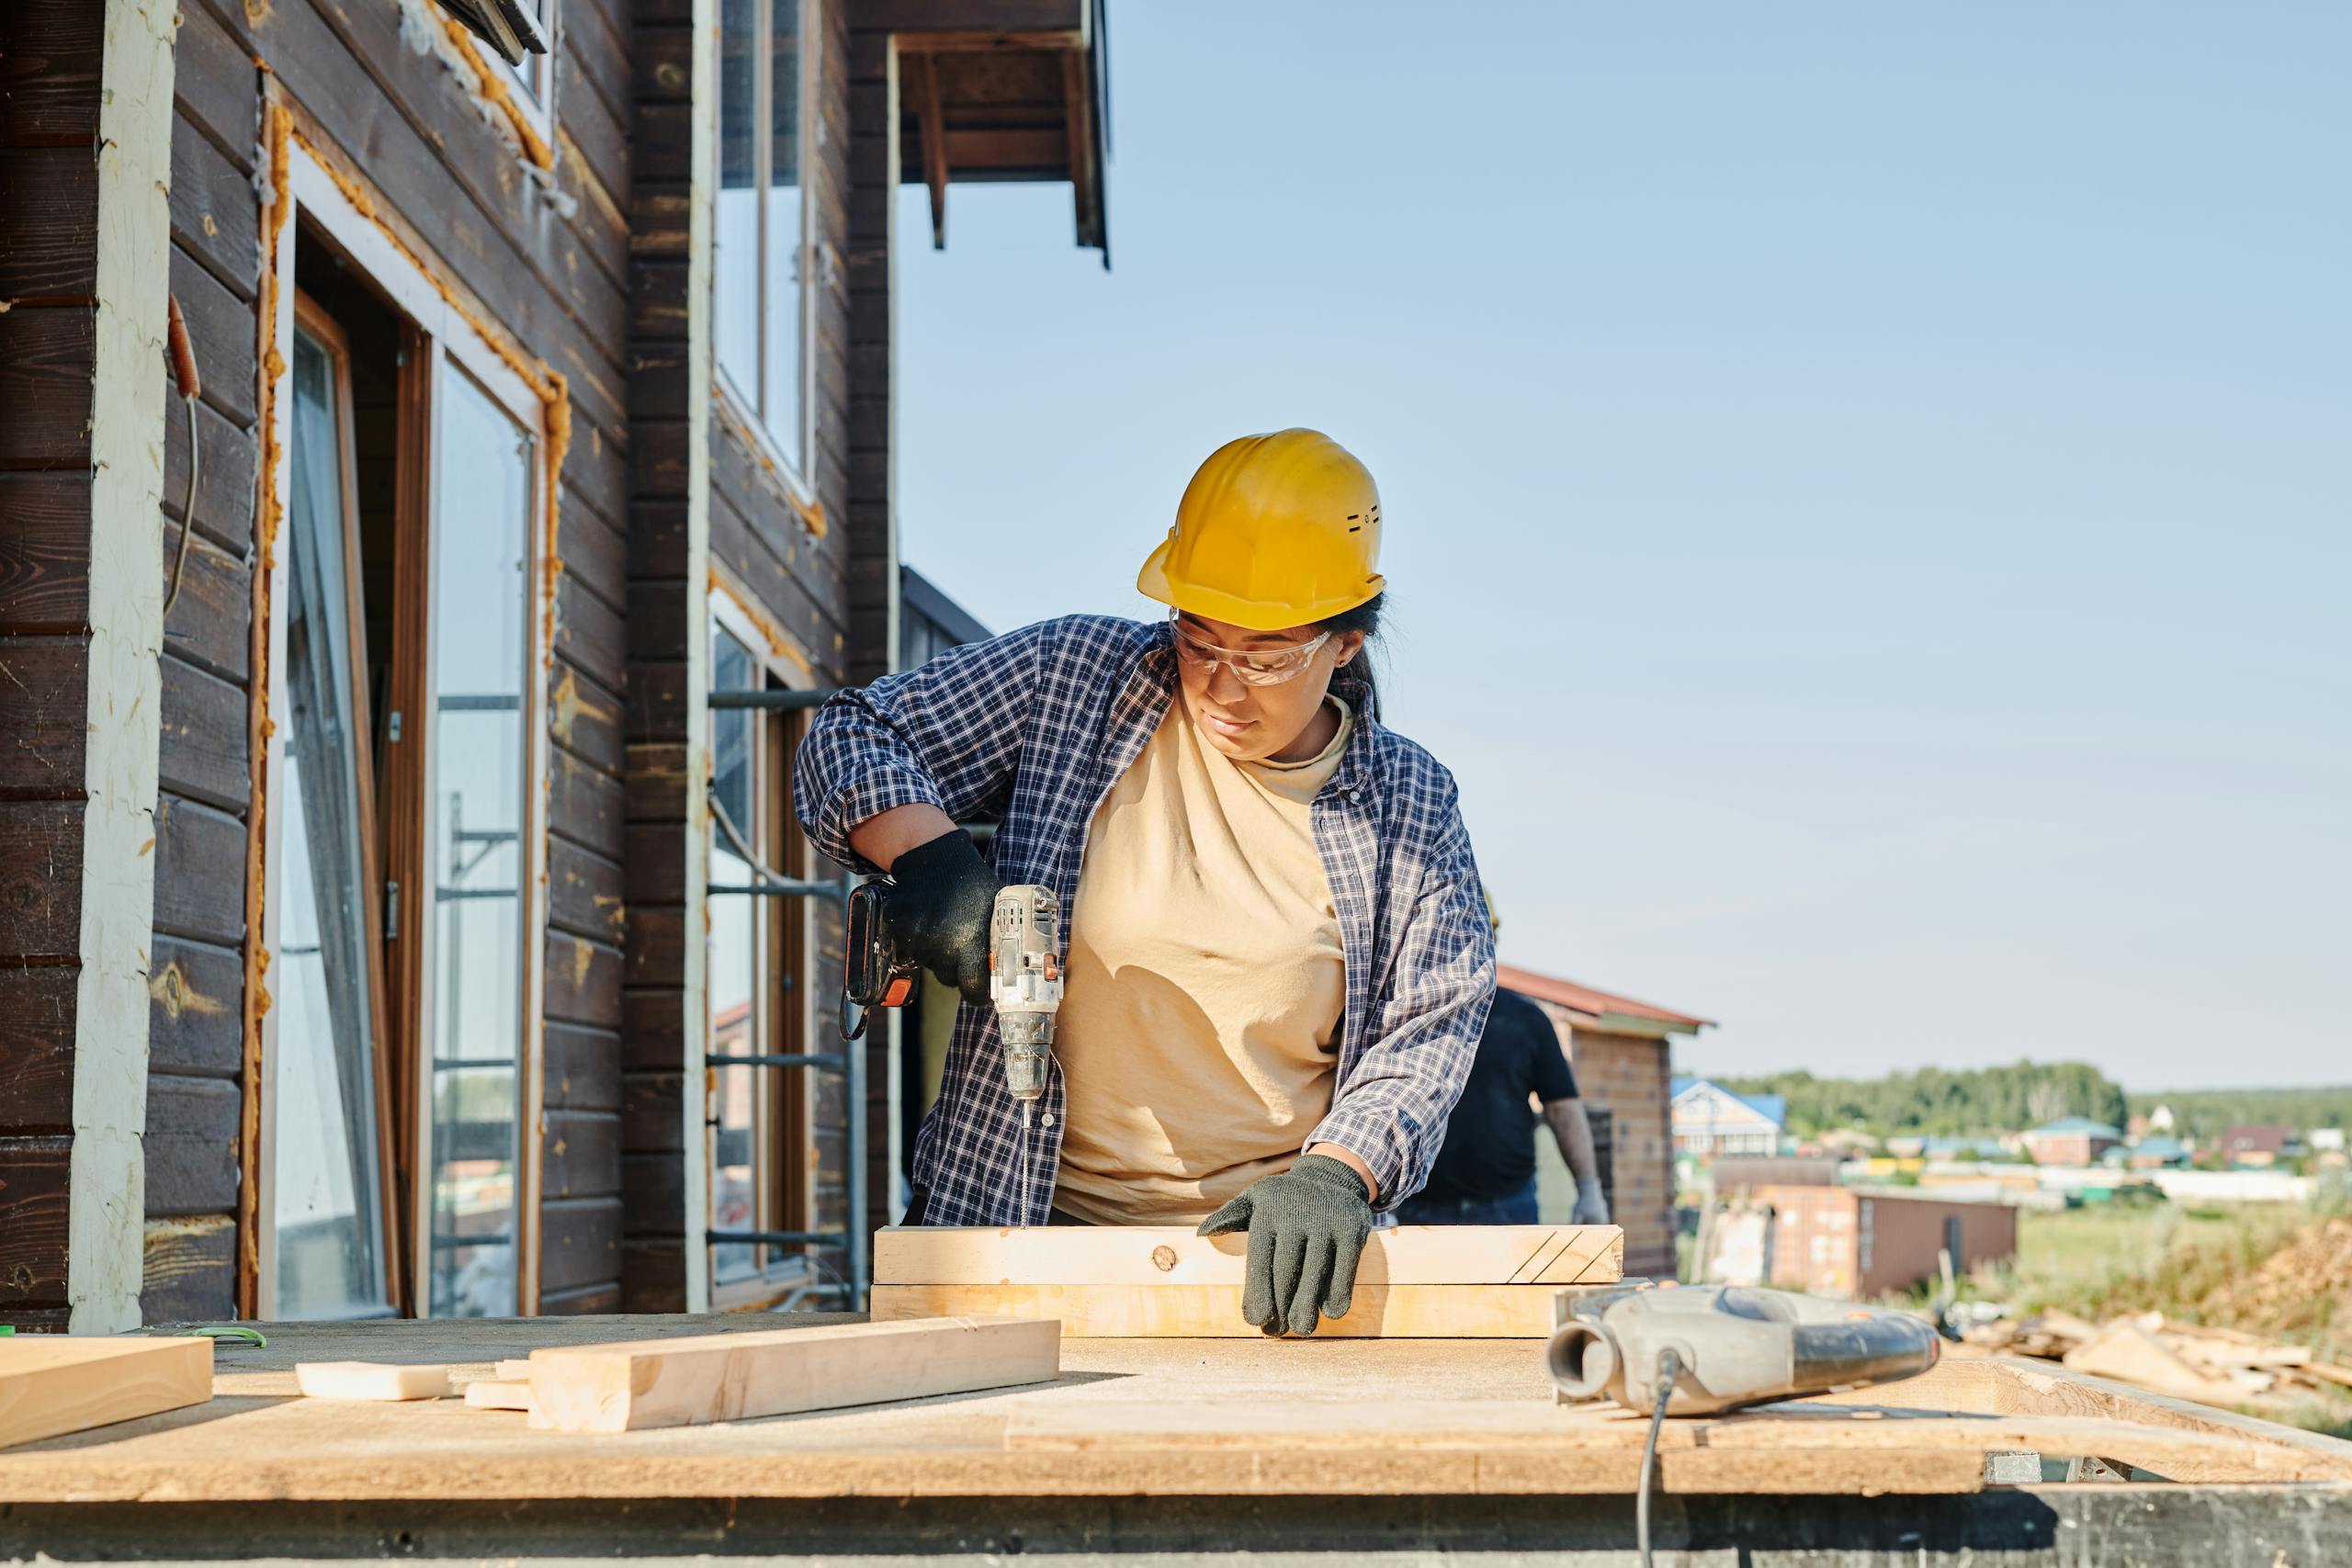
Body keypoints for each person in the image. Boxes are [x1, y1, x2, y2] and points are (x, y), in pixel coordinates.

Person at [795, 429, 1496, 1337]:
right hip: (1009, 1227)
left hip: (1263, 1266)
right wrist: (927, 857)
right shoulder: (1076, 679)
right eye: (1199, 640)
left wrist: (1340, 1173)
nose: (1221, 686)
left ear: (1346, 642)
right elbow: (854, 732)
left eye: (1265, 656)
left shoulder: (1408, 802)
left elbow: (1431, 1023)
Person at [1396, 977, 1612, 1225]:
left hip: (1508, 1206)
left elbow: (1562, 1108)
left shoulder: (1526, 1018)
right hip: (1420, 1206)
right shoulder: (1410, 1012)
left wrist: (1589, 1190)